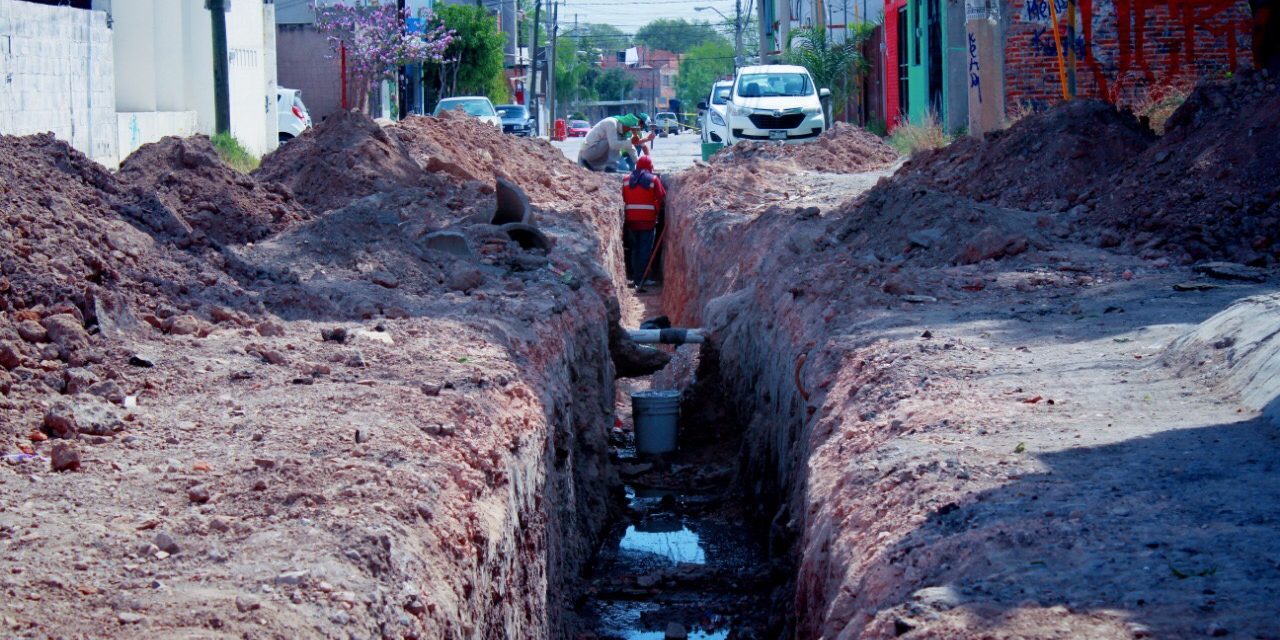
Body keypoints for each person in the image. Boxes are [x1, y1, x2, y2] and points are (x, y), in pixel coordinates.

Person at [621, 154, 665, 287]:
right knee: (644, 250)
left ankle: (636, 277)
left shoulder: (626, 180)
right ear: (650, 166)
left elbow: (624, 197)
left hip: (631, 221)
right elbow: (662, 196)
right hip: (647, 221)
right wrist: (656, 208)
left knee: (635, 249)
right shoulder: (654, 179)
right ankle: (642, 279)